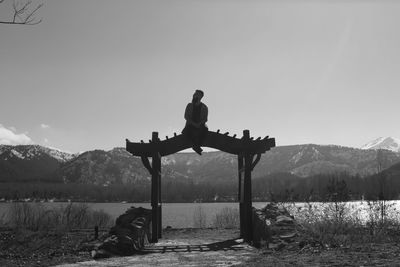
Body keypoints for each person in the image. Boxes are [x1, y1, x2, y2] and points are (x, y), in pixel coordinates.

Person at [182, 90, 208, 155]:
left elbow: (205, 119)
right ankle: (196, 147)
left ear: (200, 97)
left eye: (196, 94)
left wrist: (198, 124)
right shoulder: (189, 105)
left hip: (200, 126)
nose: (194, 95)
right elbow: (186, 116)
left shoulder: (204, 107)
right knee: (186, 132)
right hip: (190, 125)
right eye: (194, 94)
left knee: (205, 130)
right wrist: (194, 124)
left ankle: (196, 146)